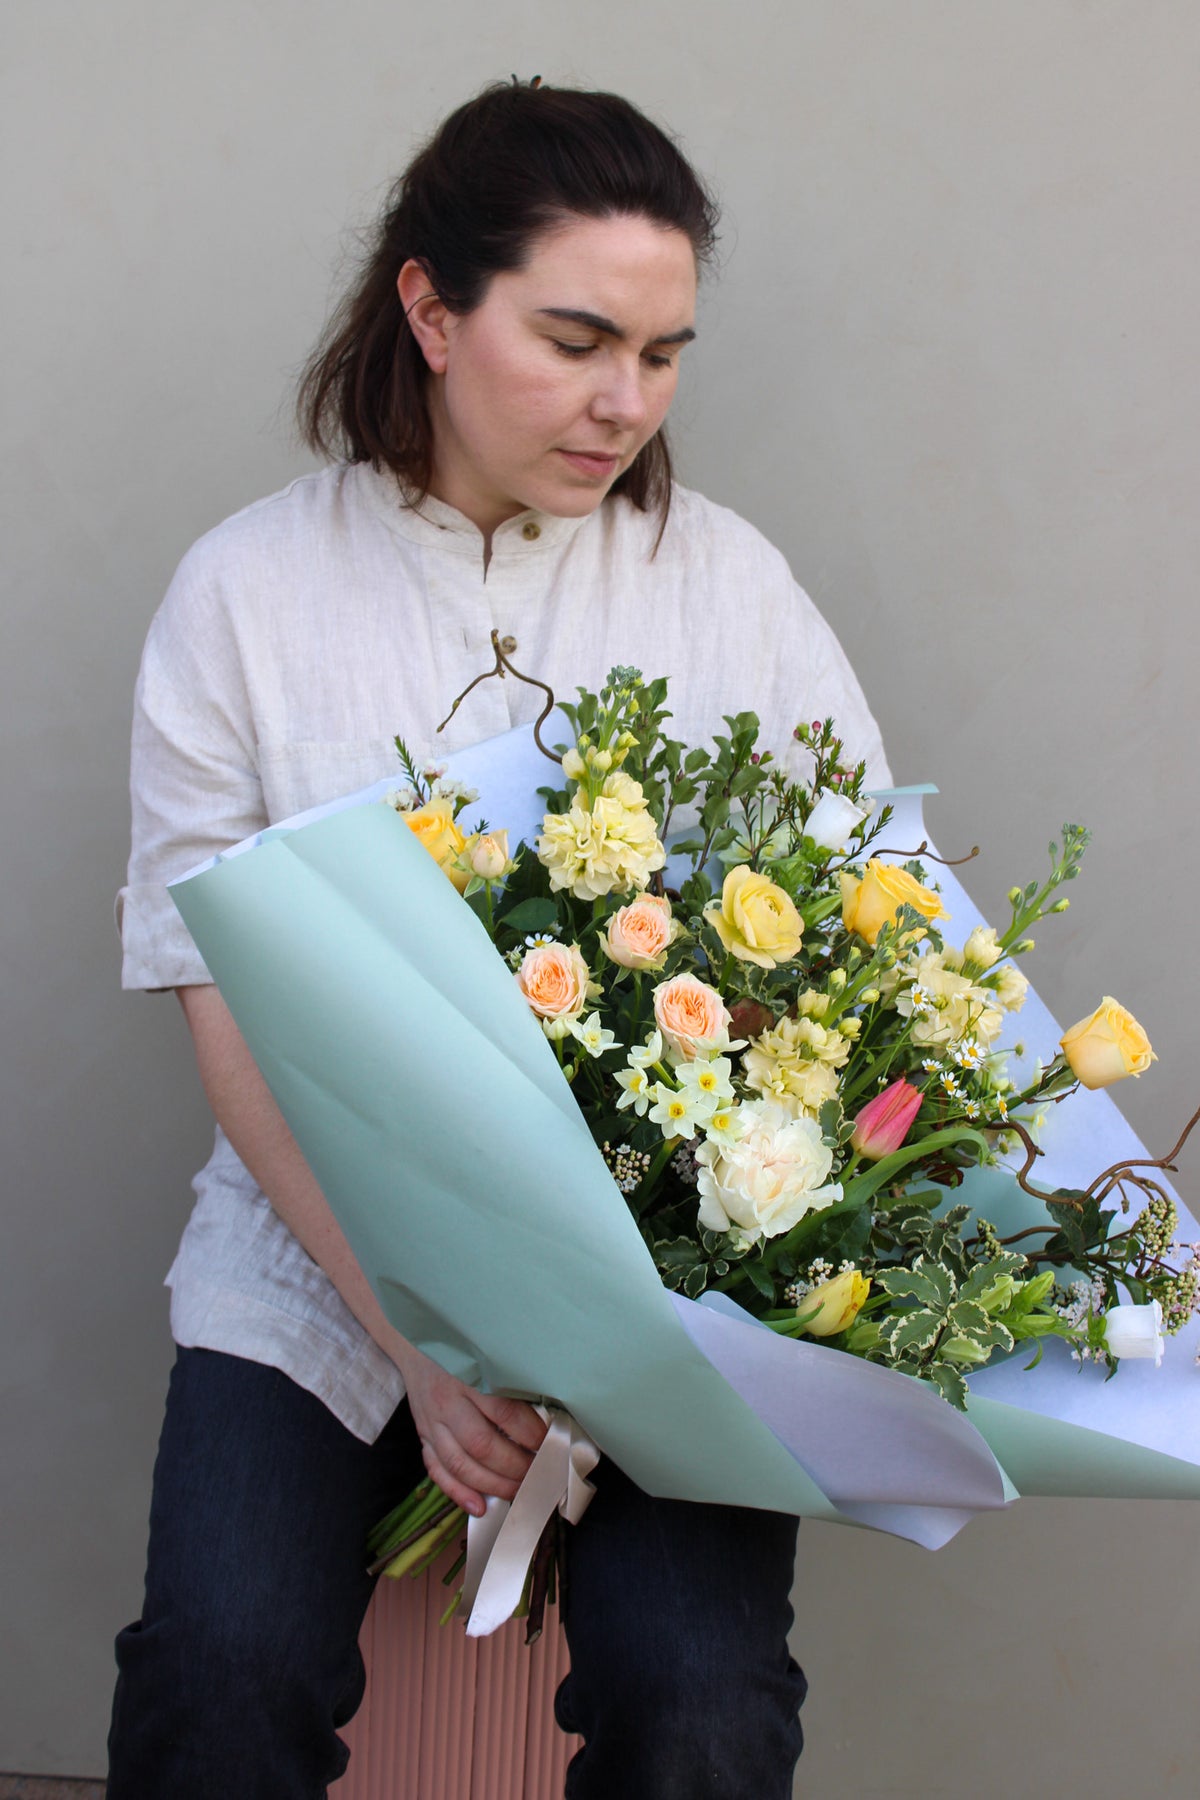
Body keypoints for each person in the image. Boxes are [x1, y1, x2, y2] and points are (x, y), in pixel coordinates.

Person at [109, 79, 891, 1798]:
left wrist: (651, 1308)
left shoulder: (726, 588)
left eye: (665, 352)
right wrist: (414, 1337)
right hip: (311, 1263)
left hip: (669, 1290)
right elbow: (215, 992)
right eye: (579, 337)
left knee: (704, 1704)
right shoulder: (245, 597)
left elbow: (858, 939)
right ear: (431, 307)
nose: (628, 402)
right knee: (218, 1672)